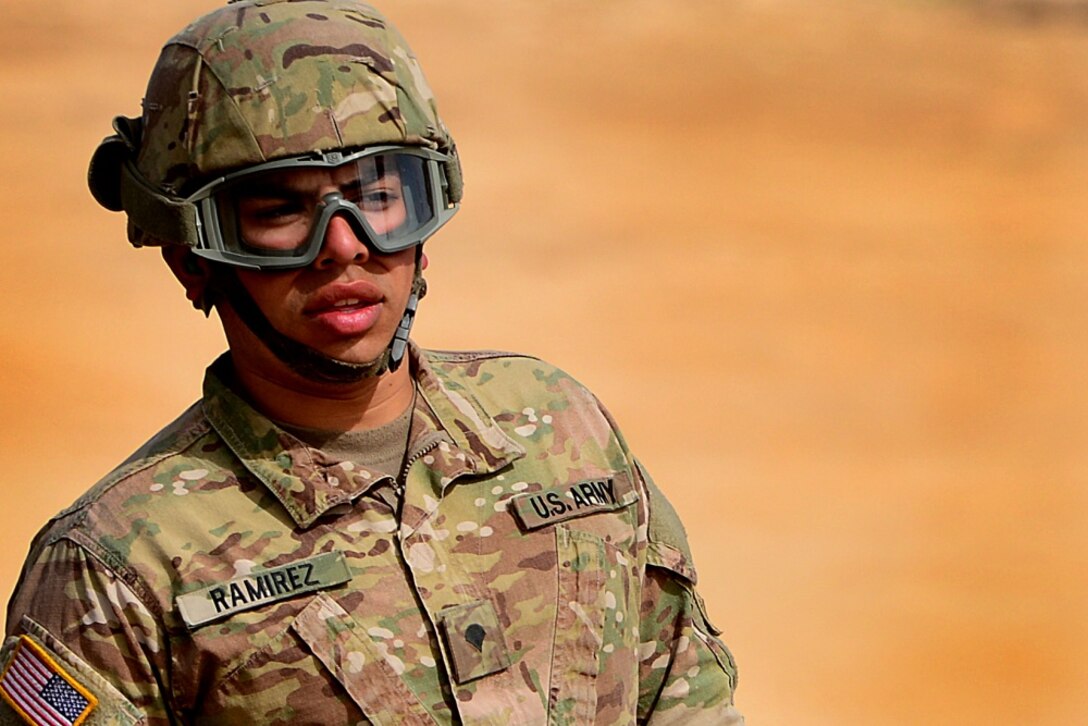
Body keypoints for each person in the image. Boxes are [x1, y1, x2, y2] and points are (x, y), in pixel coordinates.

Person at [1, 1, 744, 723]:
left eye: (379, 195)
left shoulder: (558, 429)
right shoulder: (117, 565)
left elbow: (688, 697)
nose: (345, 244)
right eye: (280, 212)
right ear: (192, 259)